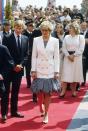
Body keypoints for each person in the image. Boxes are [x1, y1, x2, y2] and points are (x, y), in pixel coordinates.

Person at [31, 21, 60, 124]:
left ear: (50, 31)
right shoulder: (36, 40)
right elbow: (34, 56)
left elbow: (56, 57)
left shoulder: (55, 41)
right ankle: (40, 105)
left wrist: (57, 71)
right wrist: (33, 70)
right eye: (43, 30)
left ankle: (46, 113)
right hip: (38, 69)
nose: (44, 32)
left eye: (46, 30)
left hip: (50, 70)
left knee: (48, 93)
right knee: (39, 92)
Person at [2, 20, 28, 121]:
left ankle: (14, 111)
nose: (18, 29)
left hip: (19, 70)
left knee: (15, 92)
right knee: (5, 92)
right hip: (8, 69)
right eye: (17, 27)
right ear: (14, 27)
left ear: (22, 28)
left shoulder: (26, 38)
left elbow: (26, 54)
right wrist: (13, 65)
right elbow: (5, 54)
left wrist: (20, 65)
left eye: (20, 27)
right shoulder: (7, 38)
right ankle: (4, 113)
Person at [60, 22, 85, 98]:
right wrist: (68, 55)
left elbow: (81, 49)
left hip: (77, 58)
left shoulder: (80, 37)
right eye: (69, 28)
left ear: (75, 28)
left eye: (70, 28)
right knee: (65, 75)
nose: (69, 29)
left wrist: (73, 55)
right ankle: (63, 92)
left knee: (75, 75)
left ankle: (74, 91)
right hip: (67, 58)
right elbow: (63, 47)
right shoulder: (66, 37)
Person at [23, 19, 41, 102]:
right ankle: (29, 84)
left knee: (36, 74)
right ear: (27, 26)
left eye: (33, 26)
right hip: (28, 56)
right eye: (30, 26)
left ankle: (36, 93)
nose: (32, 27)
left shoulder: (37, 33)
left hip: (37, 56)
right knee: (28, 70)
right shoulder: (24, 33)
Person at [0, 44, 14, 122]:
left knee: (4, 96)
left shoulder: (3, 48)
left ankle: (3, 114)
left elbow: (10, 63)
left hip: (2, 77)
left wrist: (2, 74)